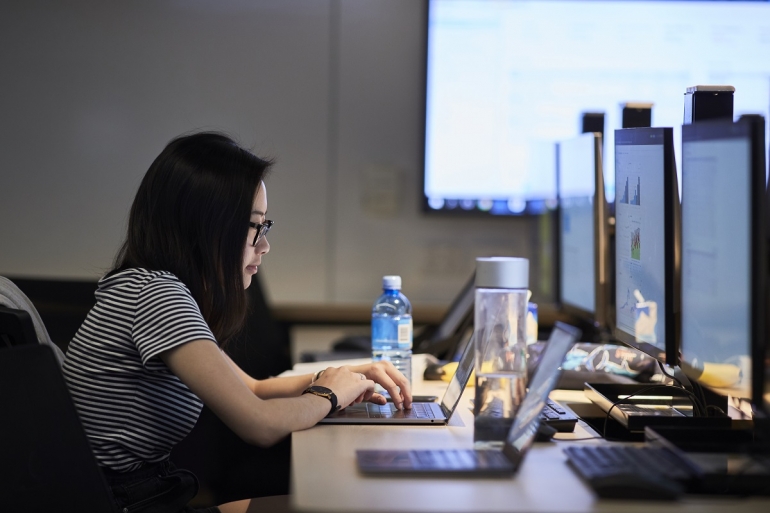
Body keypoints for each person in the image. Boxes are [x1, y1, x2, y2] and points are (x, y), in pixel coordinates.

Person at [62, 132, 412, 513]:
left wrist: (340, 377)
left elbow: (255, 389)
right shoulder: (156, 296)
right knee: (338, 505)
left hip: (134, 495)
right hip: (122, 502)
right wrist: (329, 396)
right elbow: (258, 423)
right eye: (254, 226)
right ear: (207, 225)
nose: (264, 245)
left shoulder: (149, 287)